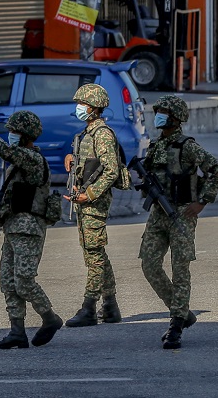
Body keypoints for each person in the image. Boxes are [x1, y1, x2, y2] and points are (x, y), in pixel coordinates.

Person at [0, 108, 63, 349]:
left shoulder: (31, 158)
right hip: (13, 227)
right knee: (8, 281)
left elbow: (6, 151)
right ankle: (17, 331)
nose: (9, 135)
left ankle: (50, 318)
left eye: (13, 131)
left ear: (24, 135)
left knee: (24, 281)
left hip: (28, 229)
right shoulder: (21, 158)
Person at [139, 94, 218, 349]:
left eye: (164, 112)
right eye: (158, 111)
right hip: (158, 214)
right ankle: (183, 312)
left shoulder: (187, 146)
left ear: (176, 118)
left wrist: (202, 201)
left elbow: (217, 169)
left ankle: (176, 324)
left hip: (180, 215)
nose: (159, 116)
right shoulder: (156, 146)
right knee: (149, 265)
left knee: (180, 270)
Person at [62, 83, 122, 327]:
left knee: (94, 256)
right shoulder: (87, 133)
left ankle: (88, 308)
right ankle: (110, 307)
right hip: (84, 200)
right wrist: (71, 158)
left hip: (94, 203)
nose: (79, 108)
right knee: (94, 253)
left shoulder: (102, 134)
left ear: (94, 108)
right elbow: (90, 163)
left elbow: (111, 170)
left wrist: (90, 194)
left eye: (83, 104)